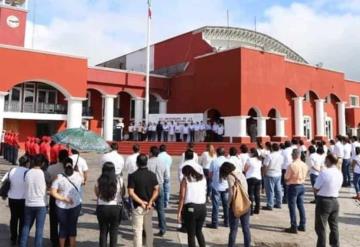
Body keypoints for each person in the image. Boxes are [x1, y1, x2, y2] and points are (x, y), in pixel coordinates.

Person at [128, 154, 159, 247]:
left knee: (138, 231)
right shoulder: (152, 175)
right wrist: (150, 202)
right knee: (149, 229)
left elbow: (130, 192)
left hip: (138, 206)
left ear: (137, 163)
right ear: (147, 162)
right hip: (149, 207)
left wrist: (141, 202)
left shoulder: (133, 176)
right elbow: (157, 189)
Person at [50, 157, 83, 247]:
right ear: (72, 165)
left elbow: (53, 192)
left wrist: (64, 199)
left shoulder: (59, 176)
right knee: (72, 226)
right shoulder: (78, 175)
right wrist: (78, 170)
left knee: (63, 227)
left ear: (63, 166)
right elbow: (83, 181)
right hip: (75, 205)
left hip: (61, 206)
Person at [314, 154, 343, 247]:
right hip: (335, 200)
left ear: (329, 161)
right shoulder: (339, 173)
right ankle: (335, 244)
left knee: (321, 227)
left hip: (323, 200)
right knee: (334, 226)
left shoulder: (324, 172)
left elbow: (316, 188)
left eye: (326, 160)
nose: (325, 162)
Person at [220, 162, 251, 247]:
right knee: (246, 228)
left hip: (236, 206)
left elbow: (231, 193)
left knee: (233, 229)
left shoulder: (230, 176)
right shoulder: (241, 174)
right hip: (246, 203)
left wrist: (228, 203)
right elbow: (244, 188)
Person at [19, 155, 48, 247]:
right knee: (39, 229)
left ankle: (22, 244)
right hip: (41, 204)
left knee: (26, 226)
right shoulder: (45, 174)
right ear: (43, 163)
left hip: (29, 203)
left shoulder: (27, 173)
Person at [177, 163, 207, 247]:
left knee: (191, 233)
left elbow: (182, 196)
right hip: (202, 208)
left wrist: (179, 212)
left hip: (191, 208)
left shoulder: (185, 179)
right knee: (199, 231)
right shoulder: (203, 178)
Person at [3, 155, 29, 245]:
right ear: (27, 163)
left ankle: (13, 237)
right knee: (22, 219)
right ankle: (21, 236)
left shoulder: (12, 170)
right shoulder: (27, 172)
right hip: (23, 199)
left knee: (13, 218)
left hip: (12, 198)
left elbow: (4, 180)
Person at [95, 162, 123, 247]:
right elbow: (123, 193)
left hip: (102, 207)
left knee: (103, 231)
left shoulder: (99, 180)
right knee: (114, 231)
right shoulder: (119, 180)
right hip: (115, 207)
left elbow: (97, 194)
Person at [47, 149, 69, 247]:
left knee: (53, 219)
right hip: (66, 196)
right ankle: (65, 239)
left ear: (58, 157)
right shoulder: (69, 170)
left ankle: (54, 239)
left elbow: (48, 181)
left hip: (54, 195)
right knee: (65, 219)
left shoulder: (51, 168)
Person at [284, 149, 308, 234]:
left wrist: (288, 180)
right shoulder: (304, 165)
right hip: (301, 185)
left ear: (294, 155)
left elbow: (286, 177)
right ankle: (302, 224)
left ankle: (293, 226)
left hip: (293, 186)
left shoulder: (291, 165)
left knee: (292, 207)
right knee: (301, 206)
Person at [147, 146, 168, 236]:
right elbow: (166, 176)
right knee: (160, 209)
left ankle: (147, 229)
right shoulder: (163, 162)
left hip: (151, 187)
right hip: (160, 186)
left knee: (148, 208)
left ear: (151, 153)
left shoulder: (148, 162)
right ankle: (162, 228)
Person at [207, 147, 229, 228]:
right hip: (226, 186)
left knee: (216, 205)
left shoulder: (214, 161)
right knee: (226, 205)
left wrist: (213, 179)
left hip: (216, 185)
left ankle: (215, 223)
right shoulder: (228, 161)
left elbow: (210, 174)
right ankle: (227, 222)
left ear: (217, 153)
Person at [262, 143, 284, 210]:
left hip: (270, 173)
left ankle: (270, 204)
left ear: (272, 148)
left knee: (270, 190)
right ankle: (279, 203)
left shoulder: (269, 156)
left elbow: (265, 165)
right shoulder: (281, 156)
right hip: (278, 173)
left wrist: (264, 173)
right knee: (278, 189)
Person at [244, 148, 262, 215]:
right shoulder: (259, 160)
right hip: (258, 178)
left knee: (250, 194)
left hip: (250, 177)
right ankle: (257, 209)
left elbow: (245, 169)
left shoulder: (249, 160)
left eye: (250, 152)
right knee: (257, 194)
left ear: (252, 153)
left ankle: (250, 210)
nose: (249, 153)